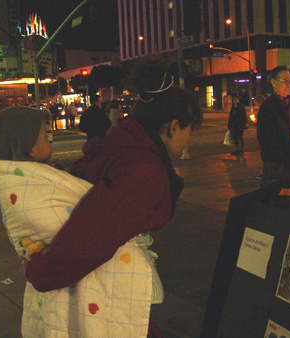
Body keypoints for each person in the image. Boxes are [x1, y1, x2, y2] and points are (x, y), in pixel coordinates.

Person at [24, 56, 202, 337]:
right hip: (102, 287)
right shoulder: (144, 168)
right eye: (189, 132)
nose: (186, 142)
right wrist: (43, 272)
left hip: (93, 281)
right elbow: (96, 230)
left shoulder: (118, 143)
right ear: (174, 127)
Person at [256, 65, 290, 185]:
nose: (289, 84)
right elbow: (264, 137)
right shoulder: (267, 107)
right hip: (276, 163)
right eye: (285, 81)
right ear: (274, 83)